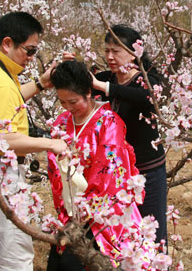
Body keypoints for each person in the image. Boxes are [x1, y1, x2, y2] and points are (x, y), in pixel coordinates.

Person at [0, 11, 68, 271]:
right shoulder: (0, 81)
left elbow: (5, 102)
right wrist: (51, 144)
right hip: (0, 177)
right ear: (7, 43)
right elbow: (5, 137)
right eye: (28, 50)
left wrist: (40, 83)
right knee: (14, 261)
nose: (31, 58)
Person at [64, 24, 167, 245]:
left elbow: (145, 97)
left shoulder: (146, 80)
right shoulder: (106, 78)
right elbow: (82, 82)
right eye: (107, 51)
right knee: (120, 234)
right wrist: (71, 66)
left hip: (147, 169)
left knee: (151, 232)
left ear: (133, 52)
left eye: (116, 51)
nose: (110, 57)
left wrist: (102, 86)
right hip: (117, 173)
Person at [47, 60, 144, 270]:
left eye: (73, 102)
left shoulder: (109, 122)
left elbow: (109, 174)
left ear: (89, 92)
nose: (68, 108)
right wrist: (68, 210)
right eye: (62, 103)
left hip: (105, 212)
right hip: (71, 210)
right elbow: (55, 169)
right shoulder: (61, 122)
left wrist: (84, 211)